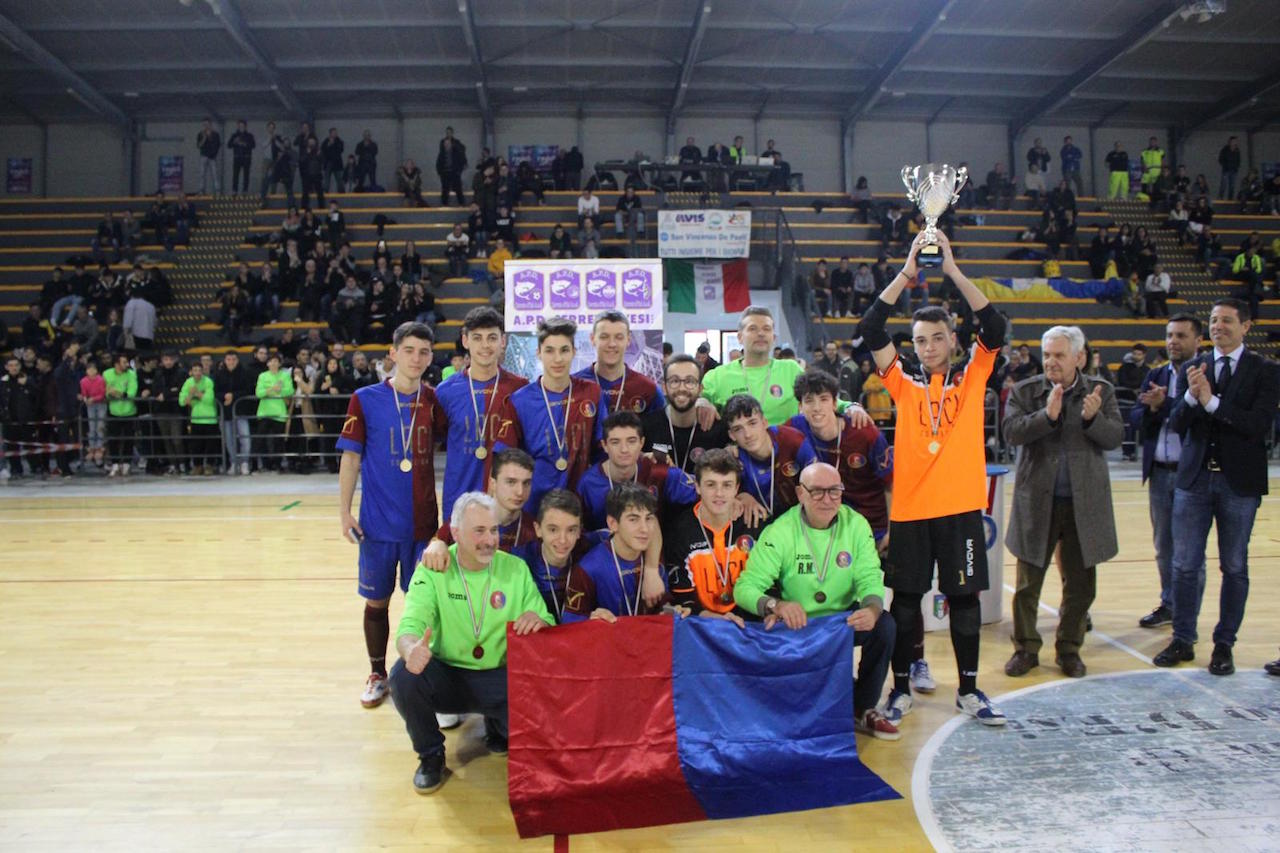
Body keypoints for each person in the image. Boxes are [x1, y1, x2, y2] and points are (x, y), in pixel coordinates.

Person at [857, 230, 1008, 727]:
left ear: (954, 341)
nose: (928, 347)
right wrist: (907, 272)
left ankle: (968, 689)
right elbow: (871, 324)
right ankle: (900, 690)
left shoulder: (974, 376)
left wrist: (952, 271)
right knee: (905, 602)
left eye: (937, 338)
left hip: (962, 507)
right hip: (911, 512)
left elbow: (995, 322)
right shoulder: (901, 382)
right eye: (920, 340)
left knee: (964, 599)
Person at [387, 491, 553, 794]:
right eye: (479, 531)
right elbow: (411, 625)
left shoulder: (514, 569)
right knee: (402, 677)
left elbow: (546, 625)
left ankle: (497, 726)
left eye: (493, 530)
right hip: (449, 676)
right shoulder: (433, 568)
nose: (489, 540)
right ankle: (430, 755)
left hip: (500, 678)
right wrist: (410, 648)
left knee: (535, 729)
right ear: (455, 533)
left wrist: (539, 621)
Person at [1154, 299, 1280, 675]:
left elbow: (1256, 426)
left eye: (1227, 320)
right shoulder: (1195, 366)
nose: (1218, 326)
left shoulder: (1265, 370)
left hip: (1238, 484)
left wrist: (1210, 402)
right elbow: (1176, 422)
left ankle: (1224, 644)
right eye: (1213, 320)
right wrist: (1192, 397)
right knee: (1184, 565)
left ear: (1247, 326)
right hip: (1193, 480)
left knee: (1235, 566)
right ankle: (1182, 639)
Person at [733, 461, 899, 740]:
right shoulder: (780, 531)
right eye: (817, 492)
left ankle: (864, 706)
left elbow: (870, 576)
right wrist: (776, 605)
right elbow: (745, 588)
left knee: (884, 625)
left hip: (841, 620)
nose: (827, 499)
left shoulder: (856, 524)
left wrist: (871, 608)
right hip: (799, 624)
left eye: (834, 491)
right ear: (800, 494)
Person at [335, 322, 448, 710]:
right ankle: (377, 672)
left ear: (432, 357)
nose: (417, 358)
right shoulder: (364, 399)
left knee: (428, 605)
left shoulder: (434, 401)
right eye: (410, 350)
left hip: (422, 526)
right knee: (377, 602)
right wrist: (344, 512)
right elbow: (350, 458)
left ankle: (428, 675)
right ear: (393, 353)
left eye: (425, 352)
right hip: (377, 526)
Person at [1002, 326, 1122, 679]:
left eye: (1059, 355)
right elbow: (1011, 432)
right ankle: (1025, 649)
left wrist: (1091, 418)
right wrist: (1047, 416)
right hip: (1037, 502)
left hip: (1083, 505)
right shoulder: (1026, 390)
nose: (1051, 362)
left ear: (1079, 358)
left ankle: (1069, 649)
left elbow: (1115, 437)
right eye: (1047, 355)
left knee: (1082, 585)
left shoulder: (1102, 392)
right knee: (1027, 585)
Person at [491, 316, 604, 514]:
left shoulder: (591, 393)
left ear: (574, 352)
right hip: (534, 504)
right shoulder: (520, 400)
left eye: (564, 350)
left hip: (581, 502)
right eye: (549, 351)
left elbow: (604, 449)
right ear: (539, 353)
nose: (557, 359)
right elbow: (506, 458)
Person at [1136, 314, 1203, 629]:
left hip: (1192, 475)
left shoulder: (1206, 375)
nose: (1173, 341)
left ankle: (1187, 614)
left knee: (1189, 551)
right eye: (1170, 335)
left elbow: (1196, 415)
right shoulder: (1155, 374)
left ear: (1197, 341)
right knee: (1164, 546)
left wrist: (1163, 405)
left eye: (1181, 335)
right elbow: (1136, 418)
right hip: (1160, 472)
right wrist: (1150, 409)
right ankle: (1169, 603)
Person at [434, 307, 529, 524]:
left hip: (508, 502)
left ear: (503, 341)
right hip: (459, 499)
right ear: (465, 341)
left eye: (492, 338)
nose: (485, 345)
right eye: (477, 338)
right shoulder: (445, 391)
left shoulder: (521, 389)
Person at [787, 369, 892, 548]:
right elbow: (764, 440)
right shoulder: (794, 429)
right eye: (809, 401)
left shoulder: (865, 433)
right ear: (800, 407)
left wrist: (891, 532)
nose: (817, 407)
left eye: (824, 399)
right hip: (825, 529)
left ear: (835, 403)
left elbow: (891, 485)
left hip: (872, 526)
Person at [665, 448, 764, 623]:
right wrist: (718, 621)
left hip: (751, 623)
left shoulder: (752, 523)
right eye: (711, 485)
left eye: (727, 485)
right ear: (697, 487)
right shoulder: (679, 532)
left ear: (736, 489)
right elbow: (684, 599)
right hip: (702, 625)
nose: (719, 493)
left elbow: (766, 582)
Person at [575, 411, 698, 531]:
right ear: (605, 446)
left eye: (631, 441)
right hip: (607, 549)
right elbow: (579, 529)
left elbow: (705, 490)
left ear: (642, 443)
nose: (624, 449)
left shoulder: (658, 471)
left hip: (653, 546)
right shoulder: (588, 483)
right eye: (615, 442)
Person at [562, 483, 668, 622]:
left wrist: (674, 611)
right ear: (612, 523)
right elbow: (569, 624)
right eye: (633, 519)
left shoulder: (653, 559)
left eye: (648, 519)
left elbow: (663, 605)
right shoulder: (588, 569)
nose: (645, 529)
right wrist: (590, 620)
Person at [423, 447, 538, 569]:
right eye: (511, 482)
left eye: (526, 483)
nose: (520, 492)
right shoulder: (466, 519)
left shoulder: (533, 530)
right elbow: (431, 552)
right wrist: (437, 545)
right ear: (493, 483)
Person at [725, 393, 817, 525]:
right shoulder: (734, 459)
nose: (748, 434)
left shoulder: (792, 440)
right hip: (761, 523)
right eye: (738, 429)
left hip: (802, 519)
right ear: (732, 435)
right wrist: (740, 496)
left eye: (752, 423)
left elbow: (818, 481)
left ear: (764, 423)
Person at [641, 354, 729, 475]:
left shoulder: (717, 430)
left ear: (700, 389)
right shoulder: (646, 427)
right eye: (675, 381)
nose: (682, 388)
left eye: (690, 381)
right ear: (664, 388)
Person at [511, 489, 587, 622]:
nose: (562, 540)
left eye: (571, 530)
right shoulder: (517, 561)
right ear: (538, 529)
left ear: (579, 531)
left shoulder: (589, 553)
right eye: (553, 529)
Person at [572, 310, 665, 417]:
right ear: (592, 339)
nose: (612, 344)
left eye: (619, 337)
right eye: (604, 337)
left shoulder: (648, 389)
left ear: (628, 340)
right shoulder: (574, 386)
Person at [179, 360, 219, 475]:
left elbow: (209, 399)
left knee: (211, 444)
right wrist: (191, 395)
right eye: (195, 370)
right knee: (196, 445)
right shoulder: (188, 382)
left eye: (199, 370)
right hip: (196, 418)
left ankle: (209, 466)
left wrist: (196, 393)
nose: (197, 373)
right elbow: (182, 401)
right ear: (191, 372)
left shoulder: (208, 382)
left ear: (203, 372)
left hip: (210, 418)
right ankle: (197, 466)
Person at [103, 353, 138, 477]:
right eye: (124, 362)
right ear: (117, 364)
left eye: (127, 362)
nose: (127, 364)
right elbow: (106, 392)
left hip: (129, 412)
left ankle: (127, 465)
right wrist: (115, 393)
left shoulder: (132, 374)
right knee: (113, 440)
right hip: (113, 412)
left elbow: (131, 393)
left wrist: (117, 393)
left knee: (129, 439)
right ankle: (115, 464)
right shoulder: (106, 374)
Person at [436, 127, 468, 205]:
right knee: (445, 190)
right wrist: (440, 172)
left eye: (448, 144)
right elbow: (438, 163)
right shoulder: (442, 153)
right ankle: (444, 205)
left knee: (458, 189)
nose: (446, 145)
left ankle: (462, 204)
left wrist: (460, 169)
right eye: (445, 144)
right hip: (445, 173)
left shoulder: (456, 146)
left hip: (454, 172)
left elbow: (462, 153)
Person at [197, 119, 221, 195]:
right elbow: (199, 145)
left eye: (207, 124)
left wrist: (214, 154)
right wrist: (204, 138)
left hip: (212, 157)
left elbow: (218, 145)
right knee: (202, 174)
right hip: (203, 156)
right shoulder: (200, 134)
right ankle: (201, 190)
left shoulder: (215, 134)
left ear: (210, 125)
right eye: (204, 125)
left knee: (215, 174)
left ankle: (217, 190)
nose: (206, 126)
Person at [1218, 136, 1241, 200]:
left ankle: (1230, 199)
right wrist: (1225, 165)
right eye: (1233, 141)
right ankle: (1220, 198)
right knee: (1223, 185)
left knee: (1232, 186)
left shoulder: (1237, 150)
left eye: (1235, 141)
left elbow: (1238, 160)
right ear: (1230, 142)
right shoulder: (1225, 150)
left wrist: (1237, 167)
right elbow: (1220, 159)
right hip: (1226, 170)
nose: (1235, 143)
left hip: (1234, 171)